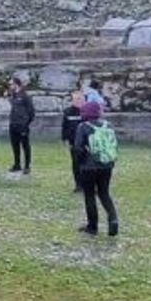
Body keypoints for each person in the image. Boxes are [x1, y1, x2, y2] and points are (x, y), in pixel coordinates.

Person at [73, 101, 119, 236]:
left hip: (89, 166)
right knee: (104, 193)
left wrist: (80, 163)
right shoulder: (107, 125)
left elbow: (78, 148)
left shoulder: (83, 127)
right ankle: (113, 219)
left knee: (89, 195)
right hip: (106, 164)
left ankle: (92, 226)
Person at [8, 77, 35, 174]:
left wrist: (26, 123)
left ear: (16, 84)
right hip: (13, 124)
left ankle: (27, 166)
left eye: (11, 84)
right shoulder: (13, 95)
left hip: (22, 125)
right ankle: (17, 164)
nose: (10, 86)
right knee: (15, 146)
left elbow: (31, 111)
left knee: (25, 146)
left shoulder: (25, 96)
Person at [61, 91, 86, 192]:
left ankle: (89, 184)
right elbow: (65, 127)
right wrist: (65, 139)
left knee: (87, 164)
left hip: (86, 142)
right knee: (76, 164)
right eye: (76, 99)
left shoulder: (87, 111)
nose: (79, 101)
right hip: (73, 142)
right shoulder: (68, 112)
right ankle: (78, 185)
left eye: (80, 99)